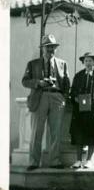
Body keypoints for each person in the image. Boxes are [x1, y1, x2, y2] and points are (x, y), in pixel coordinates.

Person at [22, 34, 71, 171]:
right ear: (43, 48)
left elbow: (67, 83)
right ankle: (34, 162)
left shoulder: (63, 64)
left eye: (53, 47)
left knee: (56, 132)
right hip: (40, 96)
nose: (51, 50)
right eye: (48, 47)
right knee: (37, 131)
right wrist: (39, 83)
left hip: (57, 98)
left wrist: (64, 97)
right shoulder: (33, 64)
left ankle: (55, 161)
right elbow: (25, 81)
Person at [69, 52, 94, 169]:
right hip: (80, 110)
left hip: (93, 111)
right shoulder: (78, 76)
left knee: (92, 135)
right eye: (86, 61)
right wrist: (76, 97)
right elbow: (73, 91)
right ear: (83, 62)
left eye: (91, 61)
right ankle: (78, 160)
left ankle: (89, 160)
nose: (88, 63)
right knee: (78, 135)